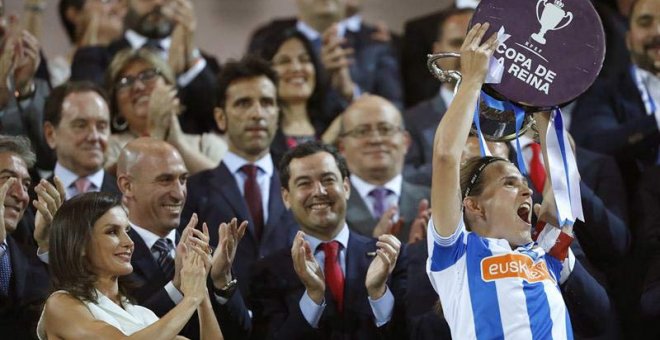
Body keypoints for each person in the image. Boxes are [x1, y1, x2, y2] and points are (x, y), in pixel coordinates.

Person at [426, 23, 575, 338]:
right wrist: (473, 78)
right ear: (473, 205)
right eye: (509, 183)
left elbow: (564, 172)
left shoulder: (547, 251)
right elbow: (445, 157)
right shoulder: (456, 254)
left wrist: (539, 96)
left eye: (522, 182)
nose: (527, 190)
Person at [249, 141, 407, 339]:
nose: (319, 191)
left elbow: (409, 333)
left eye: (328, 179)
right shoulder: (267, 272)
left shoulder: (390, 257)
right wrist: (313, 297)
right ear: (286, 197)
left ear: (346, 187)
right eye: (304, 183)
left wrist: (378, 293)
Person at [181, 56, 299, 307]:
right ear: (220, 117)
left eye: (267, 103)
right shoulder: (194, 190)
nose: (257, 113)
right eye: (244, 103)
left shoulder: (301, 184)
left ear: (278, 114)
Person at [37, 191, 224, 339]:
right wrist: (190, 299)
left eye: (126, 231)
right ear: (80, 244)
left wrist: (201, 292)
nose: (129, 242)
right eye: (112, 232)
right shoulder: (61, 304)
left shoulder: (142, 315)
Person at [116, 137, 251, 339]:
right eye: (165, 180)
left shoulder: (206, 253)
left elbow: (242, 334)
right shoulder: (111, 254)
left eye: (183, 179)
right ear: (127, 186)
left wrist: (222, 281)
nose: (179, 194)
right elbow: (126, 330)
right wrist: (177, 286)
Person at [70, 0, 221, 134]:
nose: (157, 3)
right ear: (124, 4)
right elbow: (90, 111)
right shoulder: (96, 58)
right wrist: (169, 73)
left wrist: (190, 61)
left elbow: (219, 120)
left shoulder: (203, 63)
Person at [570, 0, 660, 194]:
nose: (658, 32)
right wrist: (656, 122)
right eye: (645, 23)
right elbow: (593, 147)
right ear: (628, 39)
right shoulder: (603, 92)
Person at [247, 0, 403, 110]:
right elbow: (251, 94)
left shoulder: (375, 44)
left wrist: (350, 93)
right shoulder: (267, 38)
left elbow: (394, 112)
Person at [105, 48, 227, 174]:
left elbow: (226, 187)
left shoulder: (206, 144)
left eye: (148, 75)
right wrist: (155, 134)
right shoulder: (108, 146)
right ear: (116, 106)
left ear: (170, 87)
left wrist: (178, 144)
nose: (138, 87)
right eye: (125, 82)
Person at [338, 94, 430, 244]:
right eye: (362, 132)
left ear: (405, 141)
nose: (376, 140)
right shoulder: (331, 206)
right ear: (342, 147)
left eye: (385, 129)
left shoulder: (433, 201)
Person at [403, 7, 473, 186]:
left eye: (475, 43)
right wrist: (461, 162)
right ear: (437, 51)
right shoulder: (411, 121)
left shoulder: (515, 116)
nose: (466, 53)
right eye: (457, 43)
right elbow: (405, 179)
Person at [0, 135, 53, 339]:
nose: (21, 195)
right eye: (9, 179)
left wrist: (48, 247)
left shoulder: (35, 258)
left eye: (26, 184)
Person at [260, 29, 340, 150]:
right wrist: (327, 141)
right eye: (284, 61)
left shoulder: (334, 121)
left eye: (304, 60)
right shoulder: (260, 129)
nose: (296, 68)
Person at [43, 81, 120, 199]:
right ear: (51, 134)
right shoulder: (29, 201)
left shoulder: (128, 199)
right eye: (81, 125)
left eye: (101, 126)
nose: (94, 137)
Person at [53, 0, 126, 86]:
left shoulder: (128, 59)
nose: (117, 8)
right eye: (106, 1)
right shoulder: (56, 72)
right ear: (74, 14)